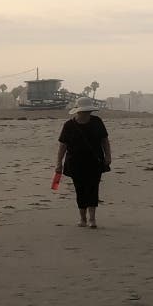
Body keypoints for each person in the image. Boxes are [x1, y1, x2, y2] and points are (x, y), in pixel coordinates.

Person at [56, 97, 112, 229]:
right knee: (80, 190)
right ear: (78, 111)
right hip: (75, 163)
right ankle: (82, 219)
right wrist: (58, 162)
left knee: (93, 189)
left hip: (95, 162)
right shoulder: (68, 125)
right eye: (84, 111)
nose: (87, 114)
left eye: (88, 111)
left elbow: (105, 140)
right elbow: (62, 146)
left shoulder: (97, 122)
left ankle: (92, 219)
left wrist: (108, 156)